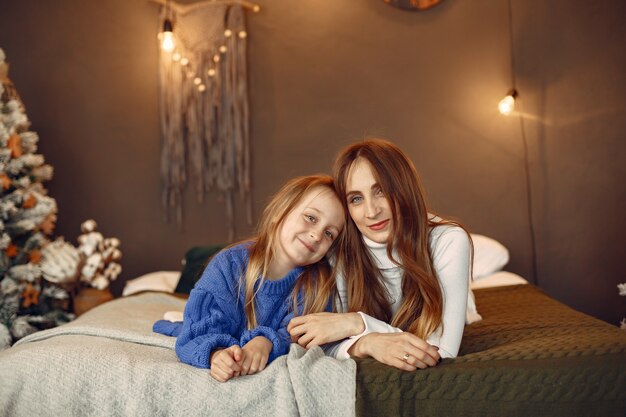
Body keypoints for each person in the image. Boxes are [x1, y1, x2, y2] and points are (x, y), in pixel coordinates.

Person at [287, 138, 471, 372]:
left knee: (465, 309)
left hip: (445, 284)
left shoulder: (448, 240)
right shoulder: (340, 249)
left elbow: (439, 353)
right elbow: (327, 340)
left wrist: (357, 322)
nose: (372, 211)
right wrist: (367, 343)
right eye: (356, 199)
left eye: (381, 191)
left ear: (404, 189)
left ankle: (468, 301)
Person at [153, 175, 345, 382]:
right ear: (280, 213)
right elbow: (196, 336)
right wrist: (216, 354)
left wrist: (266, 341)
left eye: (329, 233)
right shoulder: (228, 264)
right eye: (311, 218)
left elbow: (300, 335)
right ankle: (180, 318)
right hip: (218, 321)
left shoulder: (319, 287)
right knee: (195, 323)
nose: (316, 235)